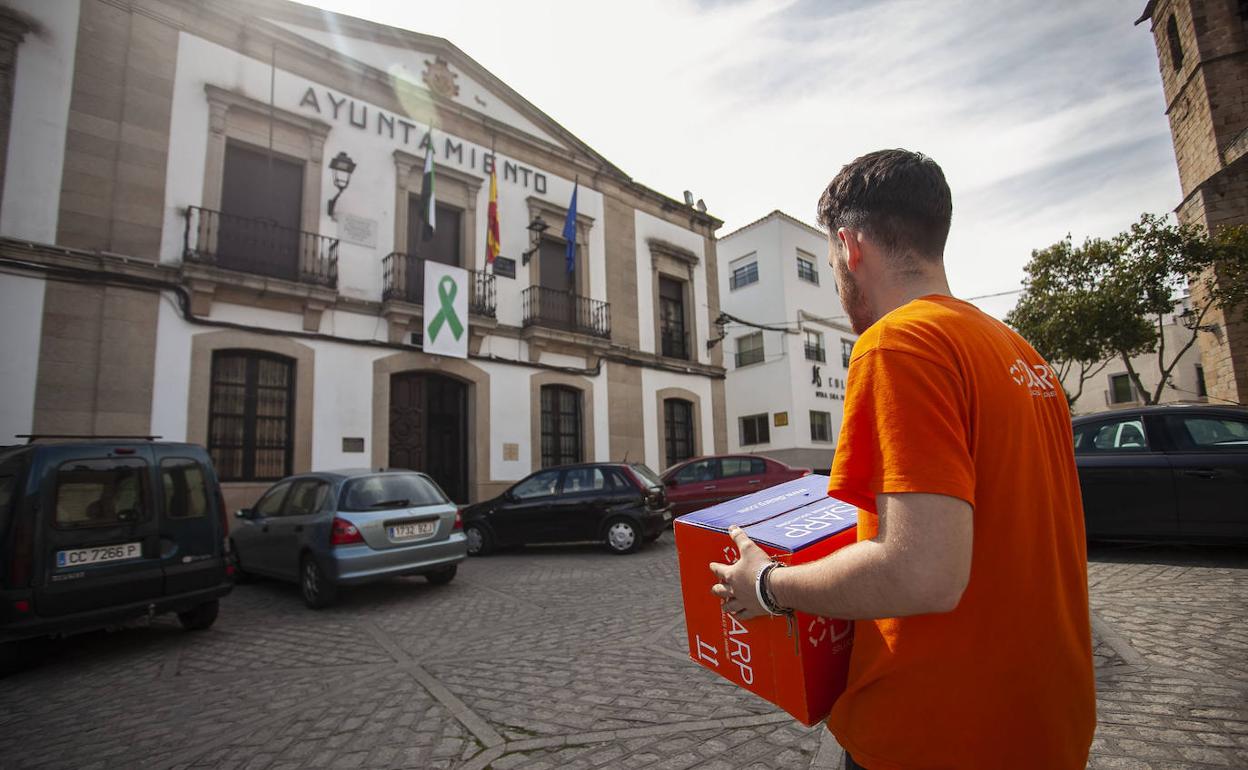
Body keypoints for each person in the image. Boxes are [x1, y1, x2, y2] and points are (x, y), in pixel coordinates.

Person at [709, 149, 1095, 769]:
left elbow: (923, 573)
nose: (836, 276)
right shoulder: (1019, 351)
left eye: (831, 259)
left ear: (849, 245)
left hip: (934, 736)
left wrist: (765, 584)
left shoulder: (896, 344)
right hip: (1048, 725)